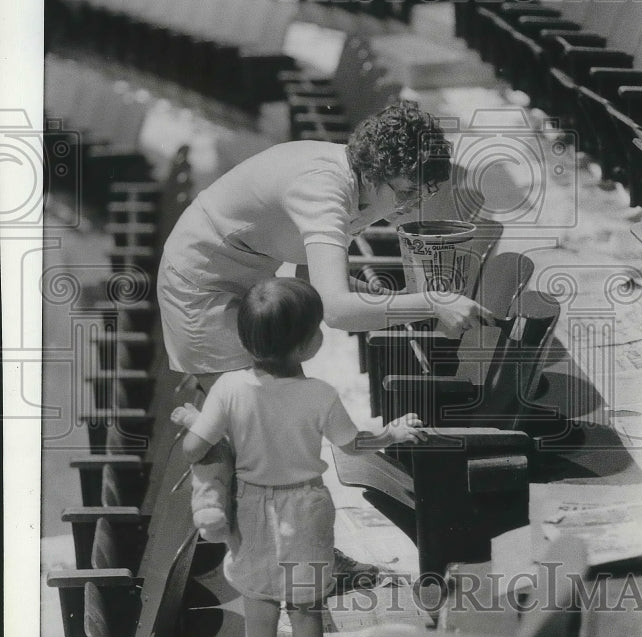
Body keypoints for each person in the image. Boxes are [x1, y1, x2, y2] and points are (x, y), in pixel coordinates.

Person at [157, 99, 493, 586]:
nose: (405, 206)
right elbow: (336, 309)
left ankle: (297, 559)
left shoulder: (354, 183)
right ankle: (282, 566)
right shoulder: (325, 189)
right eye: (400, 192)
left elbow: (317, 292)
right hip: (204, 290)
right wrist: (431, 301)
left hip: (249, 280)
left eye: (415, 194)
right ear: (375, 172)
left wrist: (387, 302)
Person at [171, 276, 427, 637]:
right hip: (307, 507)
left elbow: (193, 448)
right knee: (307, 610)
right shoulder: (321, 394)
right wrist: (391, 433)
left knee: (260, 610)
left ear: (244, 339)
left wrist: (209, 430)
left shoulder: (229, 389)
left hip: (250, 508)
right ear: (309, 344)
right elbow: (354, 444)